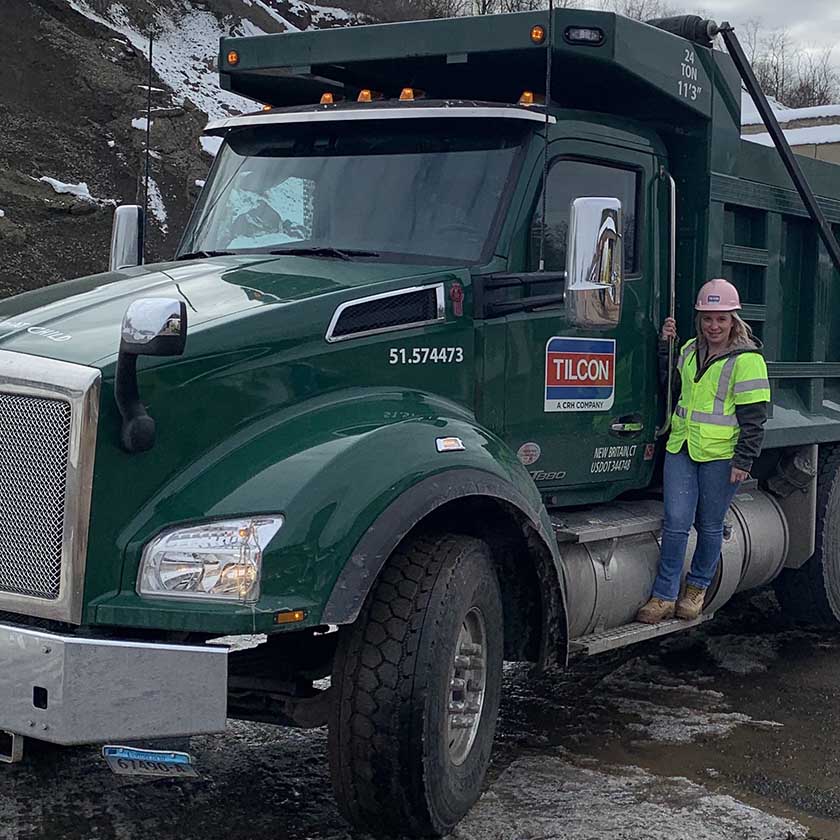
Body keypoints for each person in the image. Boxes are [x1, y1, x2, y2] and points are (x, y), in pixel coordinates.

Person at [636, 278, 771, 624]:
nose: (714, 326)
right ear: (700, 319)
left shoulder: (748, 360)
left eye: (721, 319)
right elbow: (672, 388)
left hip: (721, 456)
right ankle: (664, 596)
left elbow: (755, 418)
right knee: (677, 522)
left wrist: (744, 461)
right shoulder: (689, 350)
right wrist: (667, 348)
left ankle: (696, 589)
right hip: (681, 447)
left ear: (733, 320)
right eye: (708, 318)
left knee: (709, 526)